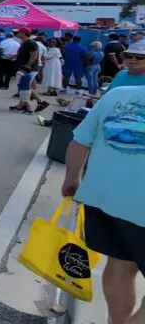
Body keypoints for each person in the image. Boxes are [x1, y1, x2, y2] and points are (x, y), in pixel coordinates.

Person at [61, 85, 145, 324]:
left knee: (120, 264)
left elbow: (79, 142)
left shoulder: (117, 94)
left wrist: (72, 179)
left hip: (103, 199)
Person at [10, 29, 45, 114]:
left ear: (23, 33)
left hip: (29, 69)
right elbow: (24, 55)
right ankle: (21, 105)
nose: (17, 33)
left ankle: (38, 102)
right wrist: (15, 57)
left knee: (25, 87)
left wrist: (27, 66)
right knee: (23, 87)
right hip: (23, 68)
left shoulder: (31, 43)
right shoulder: (25, 43)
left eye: (19, 32)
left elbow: (33, 56)